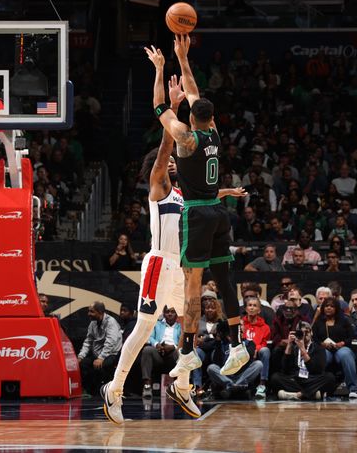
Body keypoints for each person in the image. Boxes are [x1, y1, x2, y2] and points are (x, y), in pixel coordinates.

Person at [102, 49, 244, 423]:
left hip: (181, 265)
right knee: (145, 325)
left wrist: (225, 193)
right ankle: (113, 388)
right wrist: (172, 98)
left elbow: (206, 189)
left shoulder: (189, 194)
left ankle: (181, 383)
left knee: (190, 320)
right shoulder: (159, 186)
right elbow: (169, 143)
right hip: (157, 263)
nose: (172, 164)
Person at [154, 37, 248, 380]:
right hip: (218, 211)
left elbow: (159, 109)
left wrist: (162, 67)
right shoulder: (215, 135)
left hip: (195, 212)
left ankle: (188, 350)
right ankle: (238, 346)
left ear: (192, 117)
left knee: (192, 284)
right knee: (225, 280)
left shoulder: (185, 136)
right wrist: (184, 57)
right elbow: (194, 92)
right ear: (210, 118)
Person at [270, 321, 336, 400]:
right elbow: (285, 370)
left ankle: (297, 395)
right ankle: (311, 394)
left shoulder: (318, 347)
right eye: (301, 332)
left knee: (330, 378)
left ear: (311, 333)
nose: (304, 335)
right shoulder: (293, 347)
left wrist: (303, 349)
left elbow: (317, 370)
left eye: (307, 332)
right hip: (296, 379)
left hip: (311, 378)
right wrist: (289, 345)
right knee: (275, 378)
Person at [313, 297, 357, 398]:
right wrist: (322, 344)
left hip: (341, 348)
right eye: (326, 306)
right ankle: (319, 388)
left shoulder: (344, 321)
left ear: (337, 308)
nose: (329, 308)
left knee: (345, 354)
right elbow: (314, 338)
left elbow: (353, 337)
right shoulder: (318, 322)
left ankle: (353, 389)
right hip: (325, 349)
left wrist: (342, 343)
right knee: (322, 355)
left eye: (332, 306)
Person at [78, 301, 121, 397]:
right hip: (98, 354)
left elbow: (110, 342)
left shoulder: (111, 322)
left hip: (111, 354)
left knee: (102, 366)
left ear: (100, 312)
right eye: (89, 311)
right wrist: (81, 356)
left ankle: (104, 392)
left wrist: (101, 358)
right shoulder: (93, 323)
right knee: (83, 364)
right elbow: (88, 341)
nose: (89, 314)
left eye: (91, 312)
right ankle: (88, 391)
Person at [140, 306, 181, 399]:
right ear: (163, 313)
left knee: (179, 353)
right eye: (167, 312)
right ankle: (147, 387)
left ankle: (177, 388)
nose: (170, 314)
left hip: (173, 353)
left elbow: (182, 342)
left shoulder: (180, 326)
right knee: (147, 350)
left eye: (172, 312)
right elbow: (150, 337)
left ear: (177, 314)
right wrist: (157, 344)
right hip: (159, 352)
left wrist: (173, 347)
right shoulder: (157, 324)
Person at [241, 297, 271, 400]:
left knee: (265, 351)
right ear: (246, 309)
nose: (252, 308)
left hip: (257, 351)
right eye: (250, 305)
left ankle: (262, 385)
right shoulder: (241, 324)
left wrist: (255, 349)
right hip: (242, 351)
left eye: (255, 305)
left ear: (259, 310)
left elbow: (263, 343)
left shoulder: (265, 327)